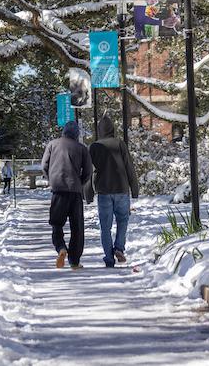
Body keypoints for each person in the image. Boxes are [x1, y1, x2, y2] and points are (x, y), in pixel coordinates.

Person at [85, 114, 140, 268]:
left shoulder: (94, 147)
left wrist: (88, 193)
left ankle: (109, 258)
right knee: (123, 221)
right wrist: (134, 188)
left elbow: (89, 172)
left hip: (103, 191)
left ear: (99, 130)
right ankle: (119, 248)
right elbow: (129, 166)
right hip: (122, 189)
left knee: (105, 226)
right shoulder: (120, 144)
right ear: (112, 129)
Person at [41, 121, 92, 270]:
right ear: (77, 134)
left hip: (58, 191)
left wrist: (52, 180)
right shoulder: (82, 148)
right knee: (77, 227)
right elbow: (88, 172)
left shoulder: (52, 144)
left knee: (56, 223)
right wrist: (79, 183)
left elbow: (44, 165)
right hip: (75, 192)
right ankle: (75, 261)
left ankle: (61, 247)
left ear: (64, 132)